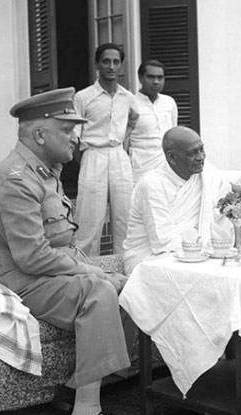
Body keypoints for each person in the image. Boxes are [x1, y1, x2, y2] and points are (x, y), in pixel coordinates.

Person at [0, 88, 147, 415]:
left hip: (36, 270)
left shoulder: (45, 171)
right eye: (67, 130)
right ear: (39, 134)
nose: (76, 137)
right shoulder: (15, 179)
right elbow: (31, 256)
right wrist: (93, 272)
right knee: (97, 291)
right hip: (12, 276)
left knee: (125, 284)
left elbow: (59, 242)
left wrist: (97, 270)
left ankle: (76, 388)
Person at [123, 126, 231, 274]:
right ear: (172, 157)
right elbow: (162, 242)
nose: (201, 157)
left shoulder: (209, 177)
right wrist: (198, 252)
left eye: (201, 149)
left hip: (199, 256)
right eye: (192, 153)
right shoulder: (151, 184)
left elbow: (222, 220)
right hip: (149, 260)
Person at [74, 43, 139, 256]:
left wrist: (124, 148)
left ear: (121, 66)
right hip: (93, 155)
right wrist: (83, 159)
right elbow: (74, 134)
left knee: (125, 217)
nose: (111, 66)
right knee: (89, 217)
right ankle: (86, 271)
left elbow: (132, 124)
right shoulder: (83, 97)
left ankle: (124, 270)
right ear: (97, 65)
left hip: (119, 155)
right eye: (106, 61)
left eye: (116, 62)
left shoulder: (128, 97)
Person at [127, 59, 178, 182]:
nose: (156, 82)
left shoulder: (169, 102)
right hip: (140, 169)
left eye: (160, 77)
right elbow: (124, 140)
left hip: (167, 167)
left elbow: (173, 134)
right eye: (151, 77)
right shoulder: (130, 103)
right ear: (140, 78)